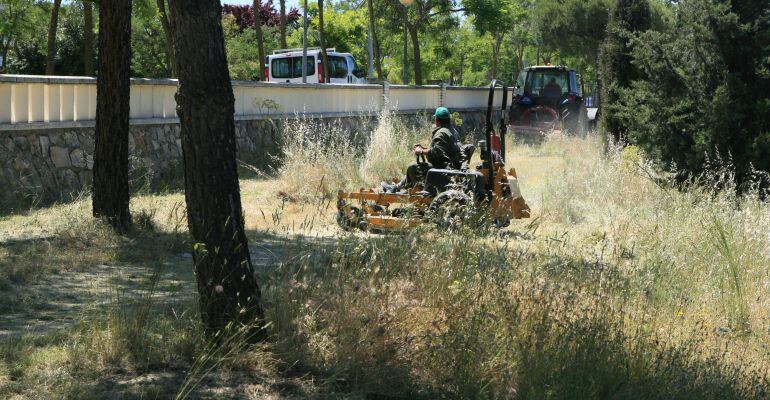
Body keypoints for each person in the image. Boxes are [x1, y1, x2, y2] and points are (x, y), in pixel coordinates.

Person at [381, 107, 471, 193]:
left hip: (444, 172)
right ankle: (396, 187)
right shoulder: (452, 131)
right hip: (452, 169)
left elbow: (437, 152)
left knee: (412, 168)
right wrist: (424, 148)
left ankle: (399, 188)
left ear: (437, 120)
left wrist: (421, 151)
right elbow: (442, 149)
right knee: (419, 167)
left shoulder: (441, 133)